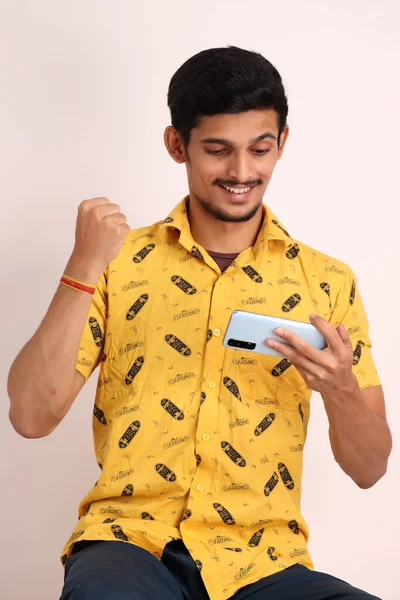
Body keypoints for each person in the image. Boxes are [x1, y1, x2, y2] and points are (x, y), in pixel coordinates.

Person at [7, 45, 392, 600]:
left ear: (282, 144)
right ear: (176, 144)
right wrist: (83, 265)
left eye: (260, 149)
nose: (241, 172)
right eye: (217, 150)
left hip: (266, 561)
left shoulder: (326, 281)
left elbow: (370, 468)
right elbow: (30, 416)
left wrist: (340, 390)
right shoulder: (116, 262)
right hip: (129, 545)